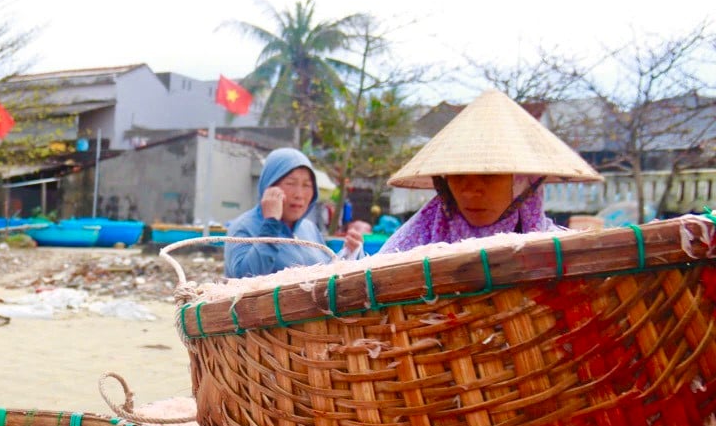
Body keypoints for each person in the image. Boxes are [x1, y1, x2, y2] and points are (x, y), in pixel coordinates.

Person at [378, 89, 603, 254]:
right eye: (458, 176)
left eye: (489, 175)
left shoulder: (562, 255)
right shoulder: (411, 247)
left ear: (524, 183)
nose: (470, 192)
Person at [224, 148, 364, 279]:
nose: (299, 194)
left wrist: (349, 254)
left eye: (307, 185)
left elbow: (324, 274)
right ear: (269, 187)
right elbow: (244, 280)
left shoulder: (309, 229)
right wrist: (271, 225)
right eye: (291, 183)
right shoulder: (243, 228)